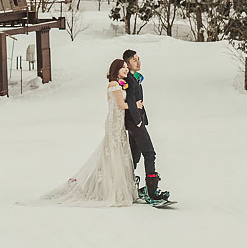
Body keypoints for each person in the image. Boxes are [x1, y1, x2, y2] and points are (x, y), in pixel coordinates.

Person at [41, 59, 139, 206]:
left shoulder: (118, 85)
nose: (126, 69)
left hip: (117, 123)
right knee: (113, 153)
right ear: (116, 70)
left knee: (116, 153)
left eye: (126, 67)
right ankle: (111, 189)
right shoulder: (114, 85)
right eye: (123, 68)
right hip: (114, 124)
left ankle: (114, 186)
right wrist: (136, 105)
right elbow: (121, 104)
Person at [123, 49, 169, 201]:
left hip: (134, 123)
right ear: (127, 63)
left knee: (134, 157)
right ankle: (152, 191)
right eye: (134, 59)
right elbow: (130, 100)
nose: (138, 62)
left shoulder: (133, 78)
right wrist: (138, 121)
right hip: (135, 123)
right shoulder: (129, 79)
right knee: (149, 154)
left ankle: (127, 186)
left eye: (139, 59)